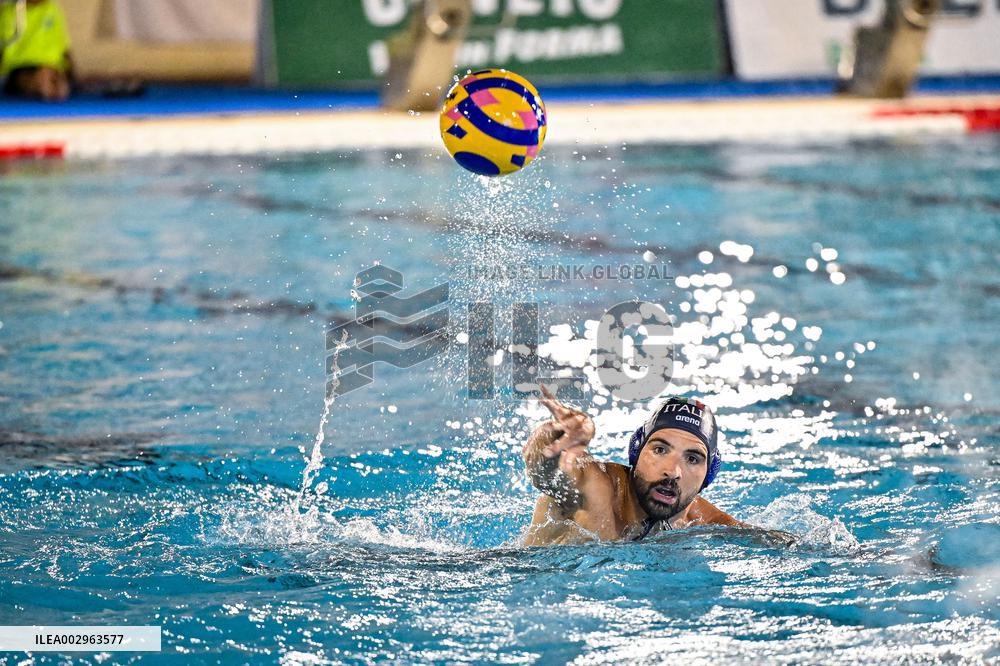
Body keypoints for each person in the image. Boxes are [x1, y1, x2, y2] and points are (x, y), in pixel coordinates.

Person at [522, 386, 753, 545]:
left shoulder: (701, 520)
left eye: (692, 459)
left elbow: (778, 545)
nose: (672, 471)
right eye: (660, 450)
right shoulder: (600, 487)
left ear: (708, 476)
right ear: (636, 452)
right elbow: (544, 470)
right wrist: (555, 437)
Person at [0, 0, 72, 101]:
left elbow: (64, 47)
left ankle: (51, 87)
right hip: (20, 68)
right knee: (42, 77)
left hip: (51, 67)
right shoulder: (9, 12)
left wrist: (71, 75)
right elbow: (4, 48)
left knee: (57, 83)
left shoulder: (52, 9)